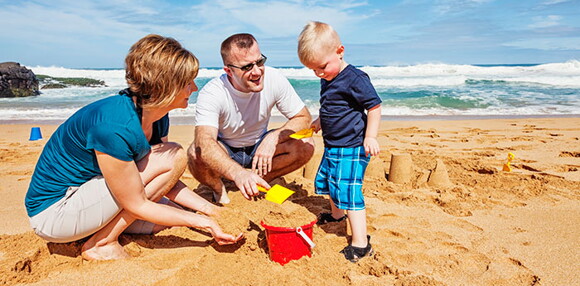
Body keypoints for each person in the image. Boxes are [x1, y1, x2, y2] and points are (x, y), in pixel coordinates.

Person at [25, 34, 243, 261]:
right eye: (188, 82)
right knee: (175, 156)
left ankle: (104, 233)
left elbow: (164, 179)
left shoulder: (157, 114)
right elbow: (138, 201)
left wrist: (210, 210)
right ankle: (102, 242)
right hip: (56, 213)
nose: (194, 88)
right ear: (165, 86)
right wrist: (204, 222)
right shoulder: (114, 126)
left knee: (171, 216)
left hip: (90, 198)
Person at [188, 33, 314, 204]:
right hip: (226, 149)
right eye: (247, 67)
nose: (257, 72)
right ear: (229, 71)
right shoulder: (213, 92)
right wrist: (237, 172)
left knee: (306, 144)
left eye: (260, 62)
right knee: (195, 153)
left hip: (259, 147)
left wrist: (273, 138)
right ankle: (219, 190)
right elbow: (205, 141)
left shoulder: (273, 78)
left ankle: (259, 179)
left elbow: (303, 118)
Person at [297, 21, 382, 262]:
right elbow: (332, 105)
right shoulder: (328, 77)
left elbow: (374, 107)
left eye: (322, 67)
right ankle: (337, 216)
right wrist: (319, 121)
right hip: (334, 144)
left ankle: (360, 243)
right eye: (313, 70)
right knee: (330, 182)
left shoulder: (355, 78)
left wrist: (371, 137)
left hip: (354, 146)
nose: (319, 73)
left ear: (340, 51)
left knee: (348, 190)